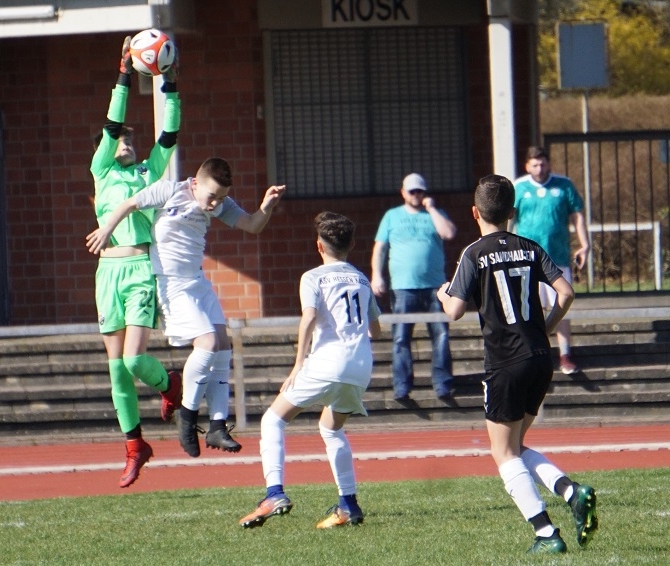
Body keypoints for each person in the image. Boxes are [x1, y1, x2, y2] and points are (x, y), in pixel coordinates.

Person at [437, 174, 598, 554]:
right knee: (516, 445)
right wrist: (546, 328)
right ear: (513, 212)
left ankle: (546, 533)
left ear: (474, 212)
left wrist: (443, 294)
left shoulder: (474, 253)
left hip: (505, 361)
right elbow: (566, 292)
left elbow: (455, 311)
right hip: (540, 358)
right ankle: (571, 492)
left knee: (503, 453)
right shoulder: (530, 247)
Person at [86, 157, 286, 458]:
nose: (215, 204)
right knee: (207, 343)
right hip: (171, 284)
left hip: (197, 282)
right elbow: (129, 204)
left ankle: (217, 425)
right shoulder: (170, 191)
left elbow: (252, 225)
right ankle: (187, 417)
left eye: (221, 198)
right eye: (212, 196)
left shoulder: (219, 203)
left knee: (222, 345)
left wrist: (267, 206)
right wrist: (106, 230)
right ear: (195, 183)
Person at [238, 211, 381, 530]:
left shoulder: (313, 277)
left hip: (328, 361)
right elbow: (376, 330)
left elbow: (309, 317)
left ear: (319, 245)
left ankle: (274, 494)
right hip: (361, 366)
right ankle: (349, 505)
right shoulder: (361, 279)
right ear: (352, 244)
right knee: (331, 429)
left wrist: (298, 363)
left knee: (273, 419)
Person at [88, 36, 183, 488]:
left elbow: (170, 135)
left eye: (129, 138)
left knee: (133, 359)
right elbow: (112, 121)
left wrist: (171, 85)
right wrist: (124, 73)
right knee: (116, 371)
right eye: (120, 138)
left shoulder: (148, 171)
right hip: (107, 273)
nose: (126, 141)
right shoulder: (102, 171)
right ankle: (134, 446)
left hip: (140, 270)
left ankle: (169, 384)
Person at [370, 173, 456, 402]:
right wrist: (377, 276)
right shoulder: (392, 216)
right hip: (403, 287)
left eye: (420, 191)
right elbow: (380, 248)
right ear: (403, 192)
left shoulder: (435, 214)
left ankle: (443, 384)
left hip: (435, 286)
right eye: (412, 191)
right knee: (400, 338)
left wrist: (432, 209)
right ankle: (402, 386)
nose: (416, 195)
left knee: (441, 335)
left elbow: (449, 233)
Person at [512, 146, 590, 375]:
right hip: (527, 259)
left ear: (548, 164)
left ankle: (565, 354)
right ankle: (533, 354)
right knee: (530, 309)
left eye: (543, 164)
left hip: (557, 257)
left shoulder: (564, 185)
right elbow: (508, 218)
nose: (539, 168)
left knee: (560, 306)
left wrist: (585, 244)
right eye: (534, 165)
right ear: (527, 166)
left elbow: (577, 215)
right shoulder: (519, 187)